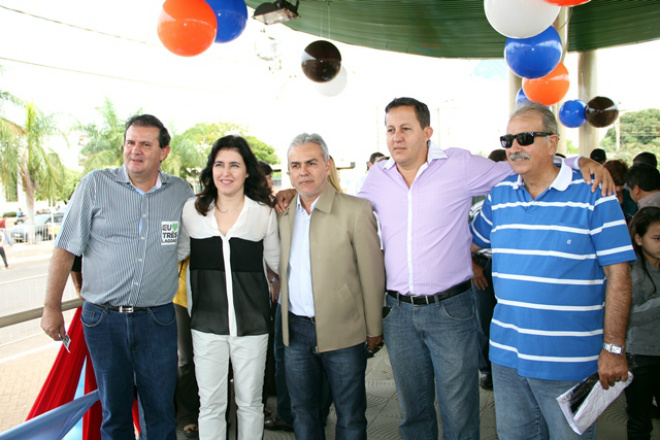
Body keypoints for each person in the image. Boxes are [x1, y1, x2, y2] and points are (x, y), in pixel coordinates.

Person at [275, 98, 613, 440]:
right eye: (390, 130)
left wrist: (577, 161)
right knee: (413, 410)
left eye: (406, 128)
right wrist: (295, 189)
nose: (397, 137)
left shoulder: (459, 165)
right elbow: (342, 207)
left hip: (451, 312)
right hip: (398, 313)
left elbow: (519, 164)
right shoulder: (376, 178)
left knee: (459, 409)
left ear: (427, 132)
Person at [471, 101, 635, 439]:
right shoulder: (499, 198)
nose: (514, 148)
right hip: (507, 357)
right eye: (508, 140)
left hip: (570, 361)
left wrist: (614, 348)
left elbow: (619, 274)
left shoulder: (595, 194)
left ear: (552, 142)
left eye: (526, 138)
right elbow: (468, 243)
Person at [41, 114, 194, 439]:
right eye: (130, 142)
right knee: (115, 413)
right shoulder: (95, 185)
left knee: (161, 412)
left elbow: (185, 245)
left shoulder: (181, 192)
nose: (135, 150)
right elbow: (66, 248)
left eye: (145, 144)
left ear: (163, 151)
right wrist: (51, 306)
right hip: (103, 322)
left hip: (158, 321)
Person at [279, 133, 385, 439]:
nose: (303, 171)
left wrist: (374, 328)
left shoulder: (356, 210)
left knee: (350, 416)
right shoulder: (283, 215)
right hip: (296, 332)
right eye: (296, 165)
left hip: (345, 332)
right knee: (304, 413)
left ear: (327, 166)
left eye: (311, 163)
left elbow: (372, 274)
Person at [177, 135, 279, 440]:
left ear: (247, 171)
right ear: (211, 170)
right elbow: (175, 255)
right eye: (219, 164)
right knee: (210, 405)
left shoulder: (262, 213)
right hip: (206, 326)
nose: (226, 172)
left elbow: (277, 262)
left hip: (253, 326)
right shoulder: (193, 212)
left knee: (250, 404)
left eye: (235, 165)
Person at [470, 148, 508, 390]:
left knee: (509, 318)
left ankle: (508, 368)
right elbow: (459, 234)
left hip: (508, 265)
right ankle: (488, 370)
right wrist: (471, 265)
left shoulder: (515, 193)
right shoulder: (473, 197)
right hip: (481, 266)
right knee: (484, 320)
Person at [625, 207, 660, 440]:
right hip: (640, 356)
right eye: (657, 238)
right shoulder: (629, 273)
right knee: (640, 421)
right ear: (639, 238)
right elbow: (626, 316)